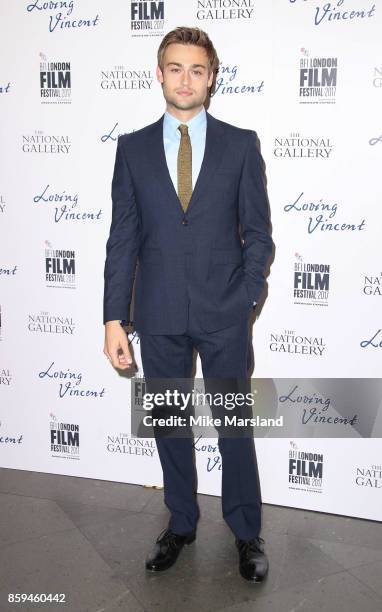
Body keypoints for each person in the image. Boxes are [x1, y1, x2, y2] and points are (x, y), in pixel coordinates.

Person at [103, 26, 273, 583]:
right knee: (170, 423)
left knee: (234, 424)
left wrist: (245, 298)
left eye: (197, 69)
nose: (185, 79)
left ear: (211, 77)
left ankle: (247, 532)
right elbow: (122, 239)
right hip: (158, 314)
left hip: (225, 313)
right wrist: (113, 318)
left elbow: (259, 235)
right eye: (175, 67)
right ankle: (181, 521)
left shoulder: (240, 144)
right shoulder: (130, 149)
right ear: (159, 73)